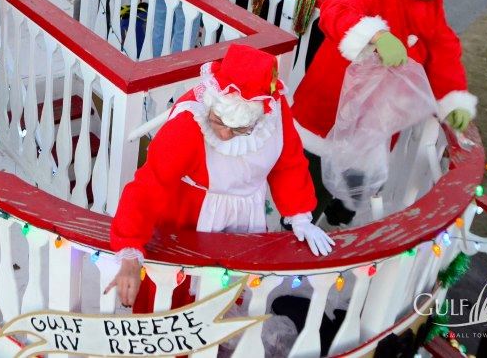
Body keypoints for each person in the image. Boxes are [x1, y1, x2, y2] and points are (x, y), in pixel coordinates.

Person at [106, 45, 334, 309]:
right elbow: (148, 186)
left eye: (239, 129)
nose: (224, 134)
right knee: (174, 299)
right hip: (188, 220)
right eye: (218, 121)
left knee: (224, 297)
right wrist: (130, 249)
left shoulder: (274, 110)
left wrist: (300, 216)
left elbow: (288, 163)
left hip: (243, 222)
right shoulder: (187, 126)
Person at [293, 0, 478, 166]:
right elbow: (336, 9)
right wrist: (376, 35)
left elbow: (442, 47)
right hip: (329, 110)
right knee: (308, 182)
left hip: (377, 123)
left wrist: (453, 96)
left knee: (354, 194)